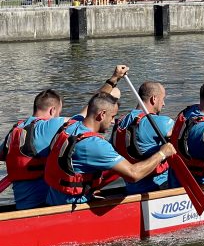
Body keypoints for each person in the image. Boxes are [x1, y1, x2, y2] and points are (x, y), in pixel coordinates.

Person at [1, 66, 128, 209]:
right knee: (114, 163)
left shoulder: (13, 133)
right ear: (52, 110)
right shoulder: (51, 126)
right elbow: (90, 111)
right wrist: (113, 79)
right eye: (59, 112)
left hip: (22, 205)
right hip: (43, 206)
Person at [45, 92, 177, 206]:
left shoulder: (69, 126)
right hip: (73, 206)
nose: (113, 122)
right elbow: (133, 174)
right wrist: (162, 153)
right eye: (112, 117)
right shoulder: (95, 144)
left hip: (54, 200)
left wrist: (114, 79)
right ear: (102, 114)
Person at [110, 80, 174, 194]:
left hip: (132, 188)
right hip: (159, 187)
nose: (163, 104)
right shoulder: (160, 122)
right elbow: (186, 134)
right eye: (162, 99)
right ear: (154, 99)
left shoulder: (121, 123)